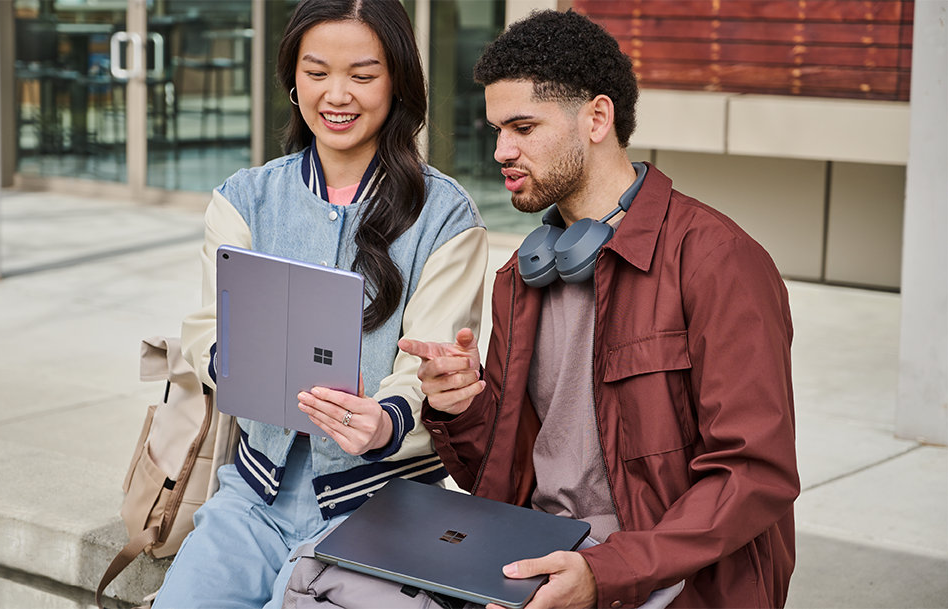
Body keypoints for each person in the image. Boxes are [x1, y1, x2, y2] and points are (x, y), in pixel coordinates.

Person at [398, 10, 799, 609]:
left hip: (673, 584)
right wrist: (460, 407)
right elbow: (506, 477)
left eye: (524, 127)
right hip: (543, 564)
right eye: (496, 130)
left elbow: (754, 474)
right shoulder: (521, 278)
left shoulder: (719, 261)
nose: (502, 150)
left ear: (597, 117)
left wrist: (604, 573)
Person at [154, 0, 487, 607]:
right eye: (316, 72)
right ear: (292, 79)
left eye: (362, 75)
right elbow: (207, 329)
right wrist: (236, 360)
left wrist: (384, 418)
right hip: (253, 497)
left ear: (398, 82)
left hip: (381, 507)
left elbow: (425, 367)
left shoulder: (446, 217)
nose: (337, 95)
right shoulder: (245, 199)